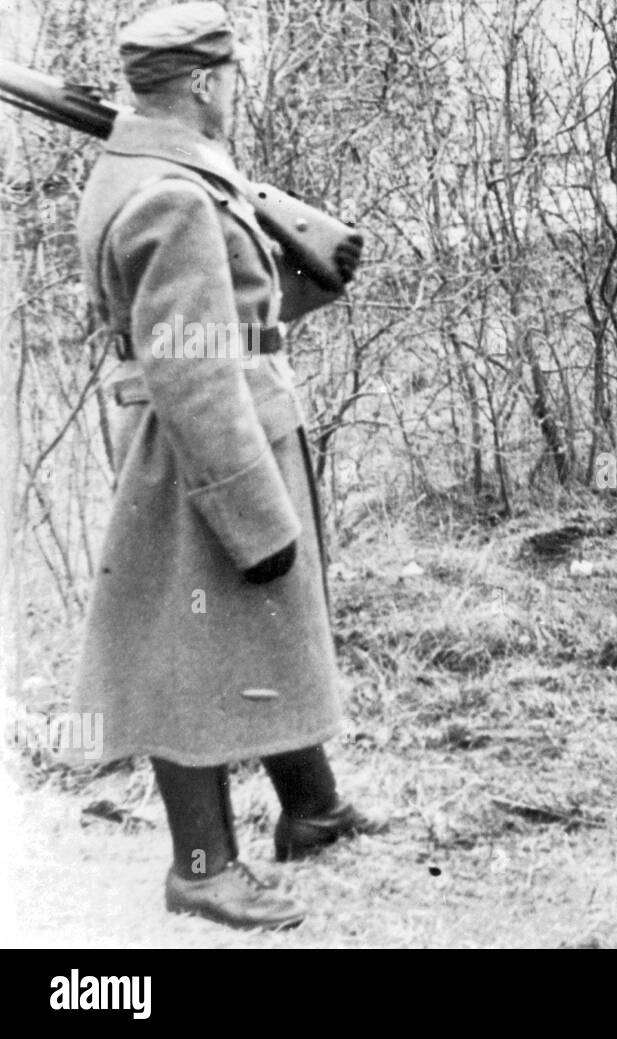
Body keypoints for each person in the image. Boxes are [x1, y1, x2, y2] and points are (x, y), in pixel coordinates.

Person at [71, 1, 378, 931]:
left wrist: (301, 277)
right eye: (230, 78)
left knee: (267, 623)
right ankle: (201, 866)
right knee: (193, 652)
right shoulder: (171, 194)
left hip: (222, 430)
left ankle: (312, 808)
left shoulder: (161, 169)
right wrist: (250, 508)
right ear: (205, 84)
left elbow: (225, 311)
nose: (234, 91)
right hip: (203, 448)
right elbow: (195, 371)